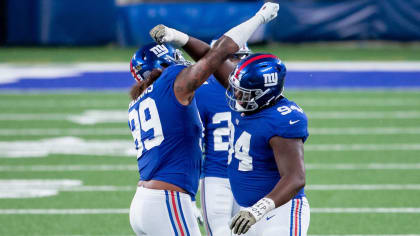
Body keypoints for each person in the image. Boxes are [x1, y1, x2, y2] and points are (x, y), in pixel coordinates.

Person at [149, 10, 310, 236]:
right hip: (248, 210)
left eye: (245, 93)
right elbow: (211, 57)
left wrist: (258, 210)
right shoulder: (249, 98)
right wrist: (178, 37)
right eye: (237, 89)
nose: (237, 96)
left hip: (279, 211)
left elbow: (295, 178)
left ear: (266, 91)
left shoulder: (284, 119)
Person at [128, 3, 279, 236]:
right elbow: (218, 53)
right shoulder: (173, 83)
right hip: (167, 198)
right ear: (166, 65)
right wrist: (259, 18)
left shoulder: (139, 100)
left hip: (145, 201)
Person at [195, 40, 252, 236]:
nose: (240, 63)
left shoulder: (255, 89)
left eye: (245, 58)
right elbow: (192, 145)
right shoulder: (202, 91)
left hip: (247, 176)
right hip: (216, 177)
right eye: (235, 57)